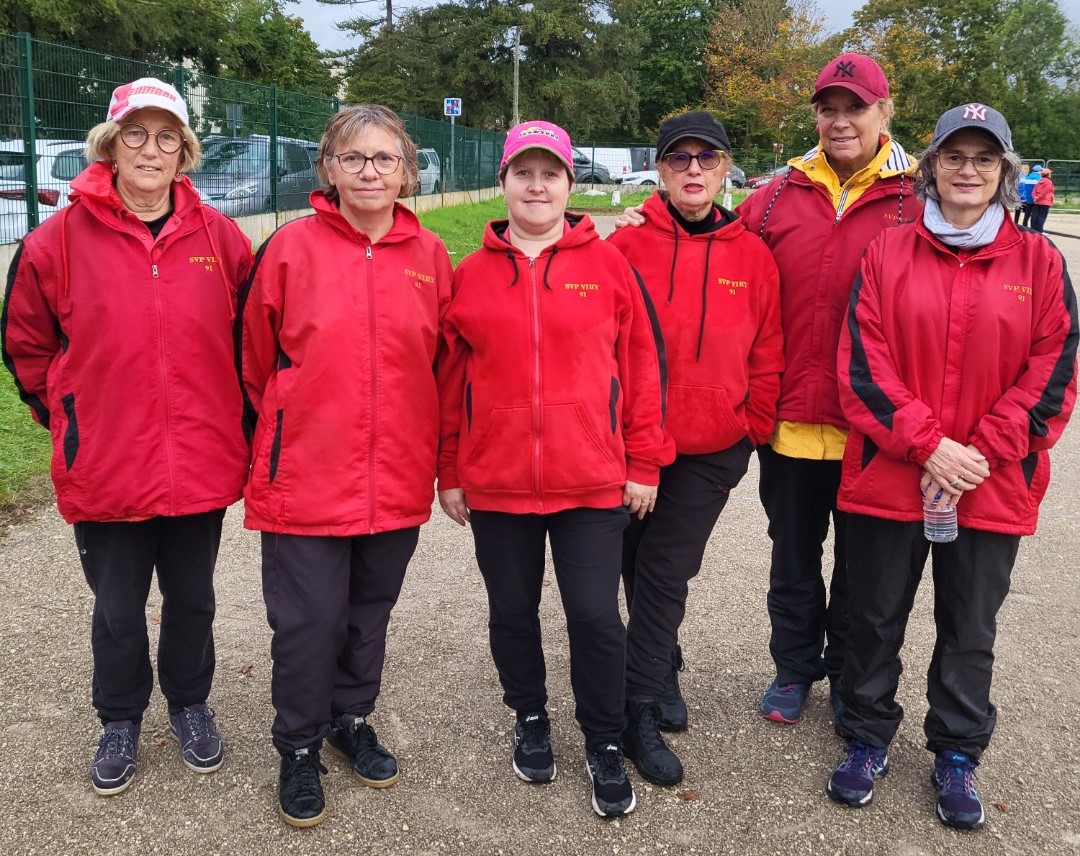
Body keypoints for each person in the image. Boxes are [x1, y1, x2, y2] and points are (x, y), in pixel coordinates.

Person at [828, 103, 1077, 830]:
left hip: (991, 485)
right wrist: (928, 443)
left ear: (1004, 173)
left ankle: (957, 752)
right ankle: (866, 737)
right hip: (890, 475)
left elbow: (1054, 372)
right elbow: (861, 367)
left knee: (970, 626)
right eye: (954, 157)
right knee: (873, 620)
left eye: (985, 160)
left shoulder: (1040, 263)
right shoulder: (887, 252)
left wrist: (978, 454)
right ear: (930, 165)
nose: (968, 171)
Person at [1, 78, 253, 795]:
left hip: (201, 460)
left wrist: (234, 418)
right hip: (107, 464)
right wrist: (72, 421)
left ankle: (190, 705)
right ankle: (119, 717)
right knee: (117, 607)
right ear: (109, 146)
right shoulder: (55, 242)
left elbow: (250, 338)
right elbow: (26, 345)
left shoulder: (220, 236)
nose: (151, 149)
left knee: (193, 598)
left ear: (185, 153)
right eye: (135, 135)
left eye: (166, 137)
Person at [436, 120, 674, 818]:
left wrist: (645, 462)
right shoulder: (469, 276)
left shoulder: (609, 266)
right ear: (503, 182)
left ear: (570, 185)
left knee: (597, 618)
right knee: (512, 613)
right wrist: (450, 470)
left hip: (591, 481)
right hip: (500, 483)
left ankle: (603, 739)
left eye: (550, 174)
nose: (536, 185)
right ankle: (530, 716)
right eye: (523, 172)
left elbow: (642, 370)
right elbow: (451, 384)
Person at [238, 105, 452, 827]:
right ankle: (297, 746)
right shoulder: (289, 249)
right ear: (328, 168)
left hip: (394, 476)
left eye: (384, 159)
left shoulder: (430, 259)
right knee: (308, 623)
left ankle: (350, 718)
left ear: (408, 172)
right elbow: (253, 361)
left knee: (367, 615)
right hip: (303, 474)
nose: (369, 170)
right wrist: (288, 427)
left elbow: (441, 367)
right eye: (354, 157)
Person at [735, 53, 920, 727]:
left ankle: (844, 670)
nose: (840, 122)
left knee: (861, 567)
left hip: (870, 426)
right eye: (828, 108)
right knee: (793, 556)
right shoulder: (780, 194)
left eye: (855, 108)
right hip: (788, 419)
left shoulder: (916, 202)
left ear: (884, 111)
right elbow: (718, 254)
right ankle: (793, 667)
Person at [606, 111, 783, 786]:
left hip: (712, 446)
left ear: (725, 167)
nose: (693, 171)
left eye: (706, 159)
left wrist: (750, 425)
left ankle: (638, 704)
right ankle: (663, 663)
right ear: (660, 169)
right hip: (629, 444)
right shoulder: (623, 247)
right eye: (678, 159)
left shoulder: (752, 256)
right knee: (631, 559)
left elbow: (768, 350)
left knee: (664, 570)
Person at [1031, 166, 1055, 233]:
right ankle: (1040, 230)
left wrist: (1035, 197)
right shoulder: (1049, 182)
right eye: (1050, 173)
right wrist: (1039, 197)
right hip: (1045, 201)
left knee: (1035, 215)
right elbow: (1045, 191)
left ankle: (1034, 229)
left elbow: (1034, 190)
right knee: (1042, 216)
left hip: (1037, 201)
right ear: (1048, 174)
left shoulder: (1039, 181)